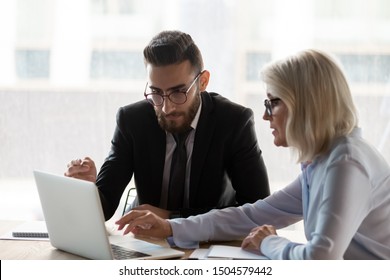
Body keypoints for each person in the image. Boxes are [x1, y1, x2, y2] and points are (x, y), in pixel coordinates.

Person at [115, 49, 390, 259]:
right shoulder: (323, 161)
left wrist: (269, 242)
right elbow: (252, 215)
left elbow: (320, 258)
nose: (265, 115)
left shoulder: (347, 163)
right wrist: (172, 227)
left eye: (272, 103)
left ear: (305, 106)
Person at [65, 30, 270, 221]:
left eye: (178, 92)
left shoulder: (234, 122)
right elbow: (105, 207)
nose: (166, 108)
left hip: (208, 244)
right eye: (156, 93)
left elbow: (259, 210)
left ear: (203, 82)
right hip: (144, 242)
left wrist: (170, 217)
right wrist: (87, 191)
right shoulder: (132, 121)